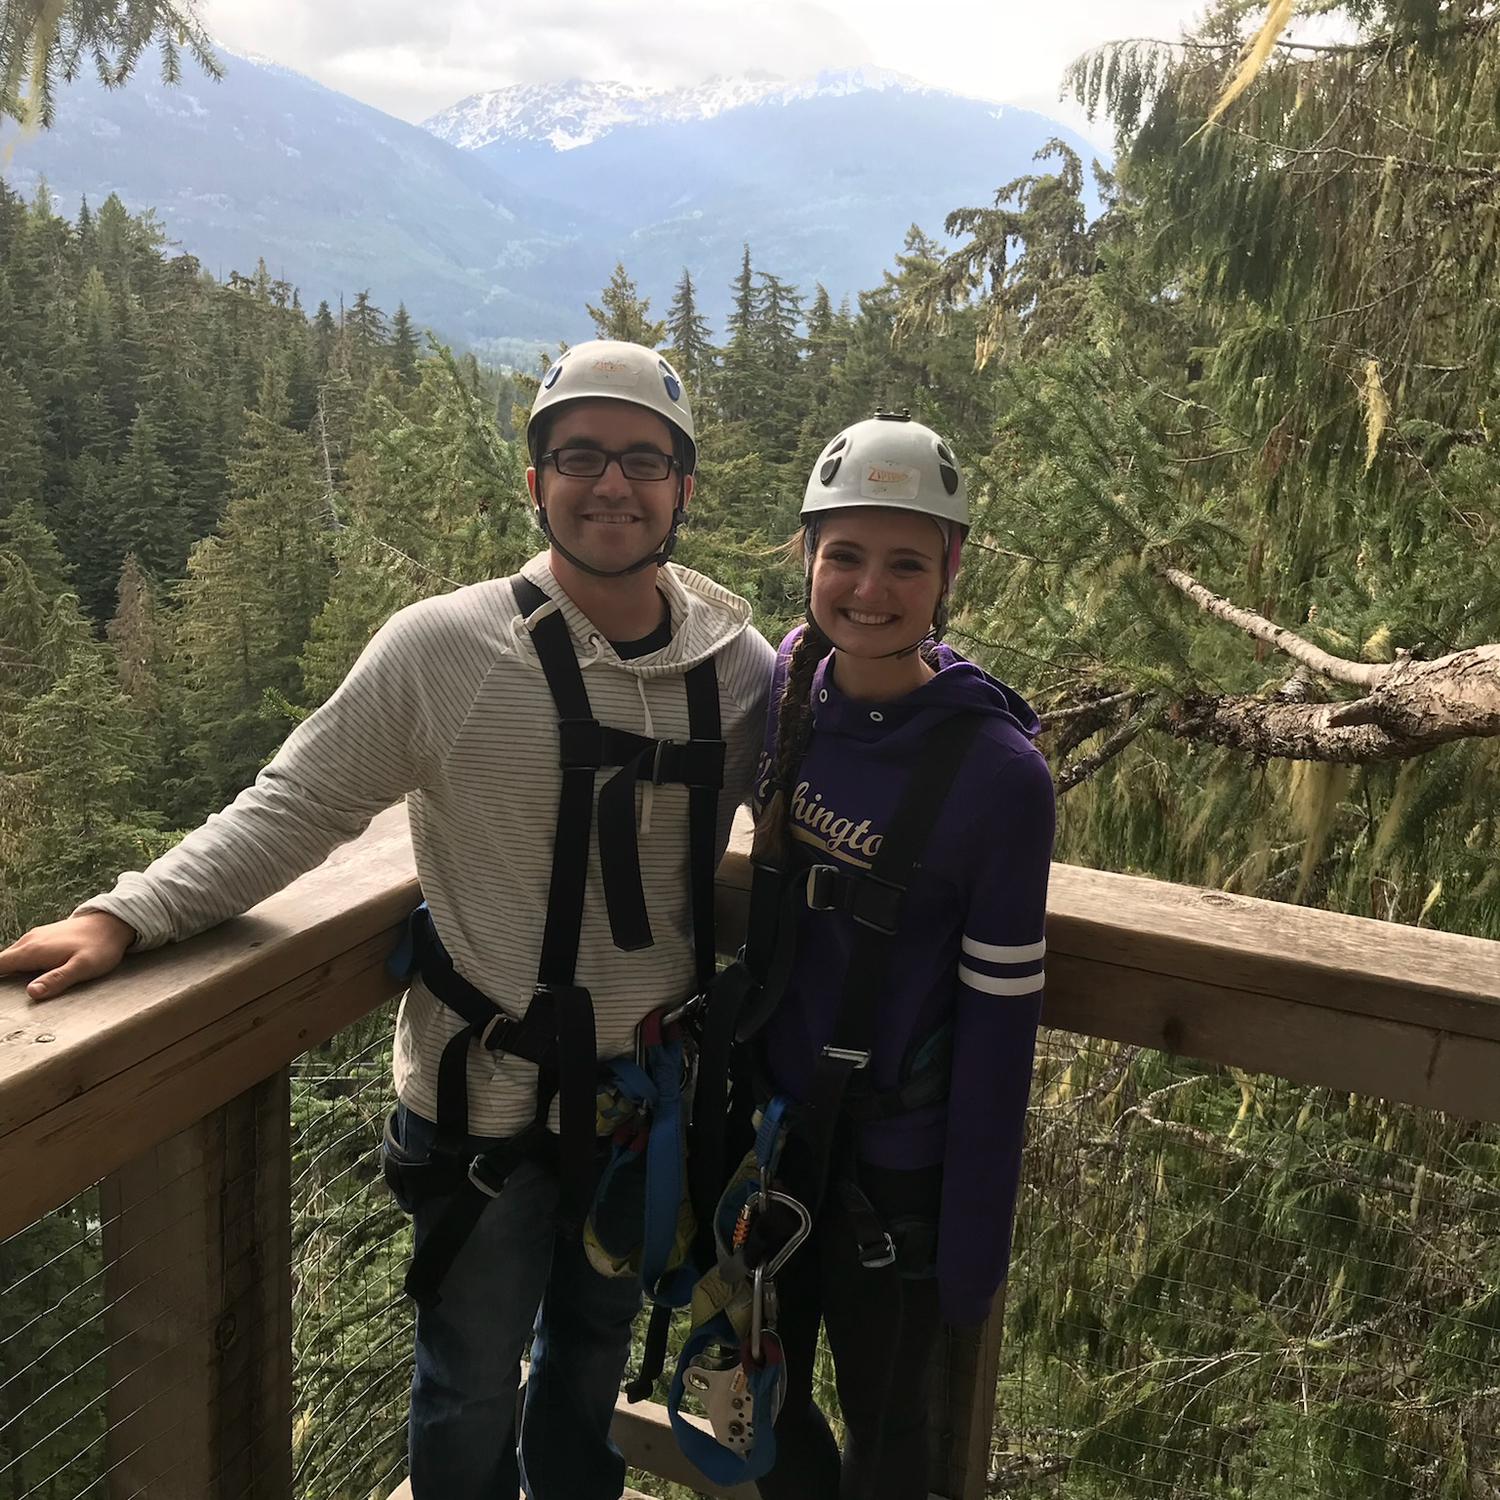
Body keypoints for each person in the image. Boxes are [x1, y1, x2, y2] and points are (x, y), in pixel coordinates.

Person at [0, 340, 775, 1500]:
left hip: (639, 1114)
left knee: (588, 1371)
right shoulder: (448, 650)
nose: (610, 484)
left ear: (682, 489)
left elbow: (835, 805)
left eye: (641, 459)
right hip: (483, 1106)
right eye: (578, 456)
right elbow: (298, 802)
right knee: (465, 1386)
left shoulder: (743, 673)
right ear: (535, 482)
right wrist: (127, 916)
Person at [738, 413, 1054, 1500]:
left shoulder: (999, 776)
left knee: (891, 1438)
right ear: (808, 555)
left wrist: (972, 1249)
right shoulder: (789, 696)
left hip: (897, 1179)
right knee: (764, 1409)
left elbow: (1002, 1026)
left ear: (951, 570)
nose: (870, 590)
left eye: (906, 562)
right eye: (846, 556)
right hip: (772, 1146)